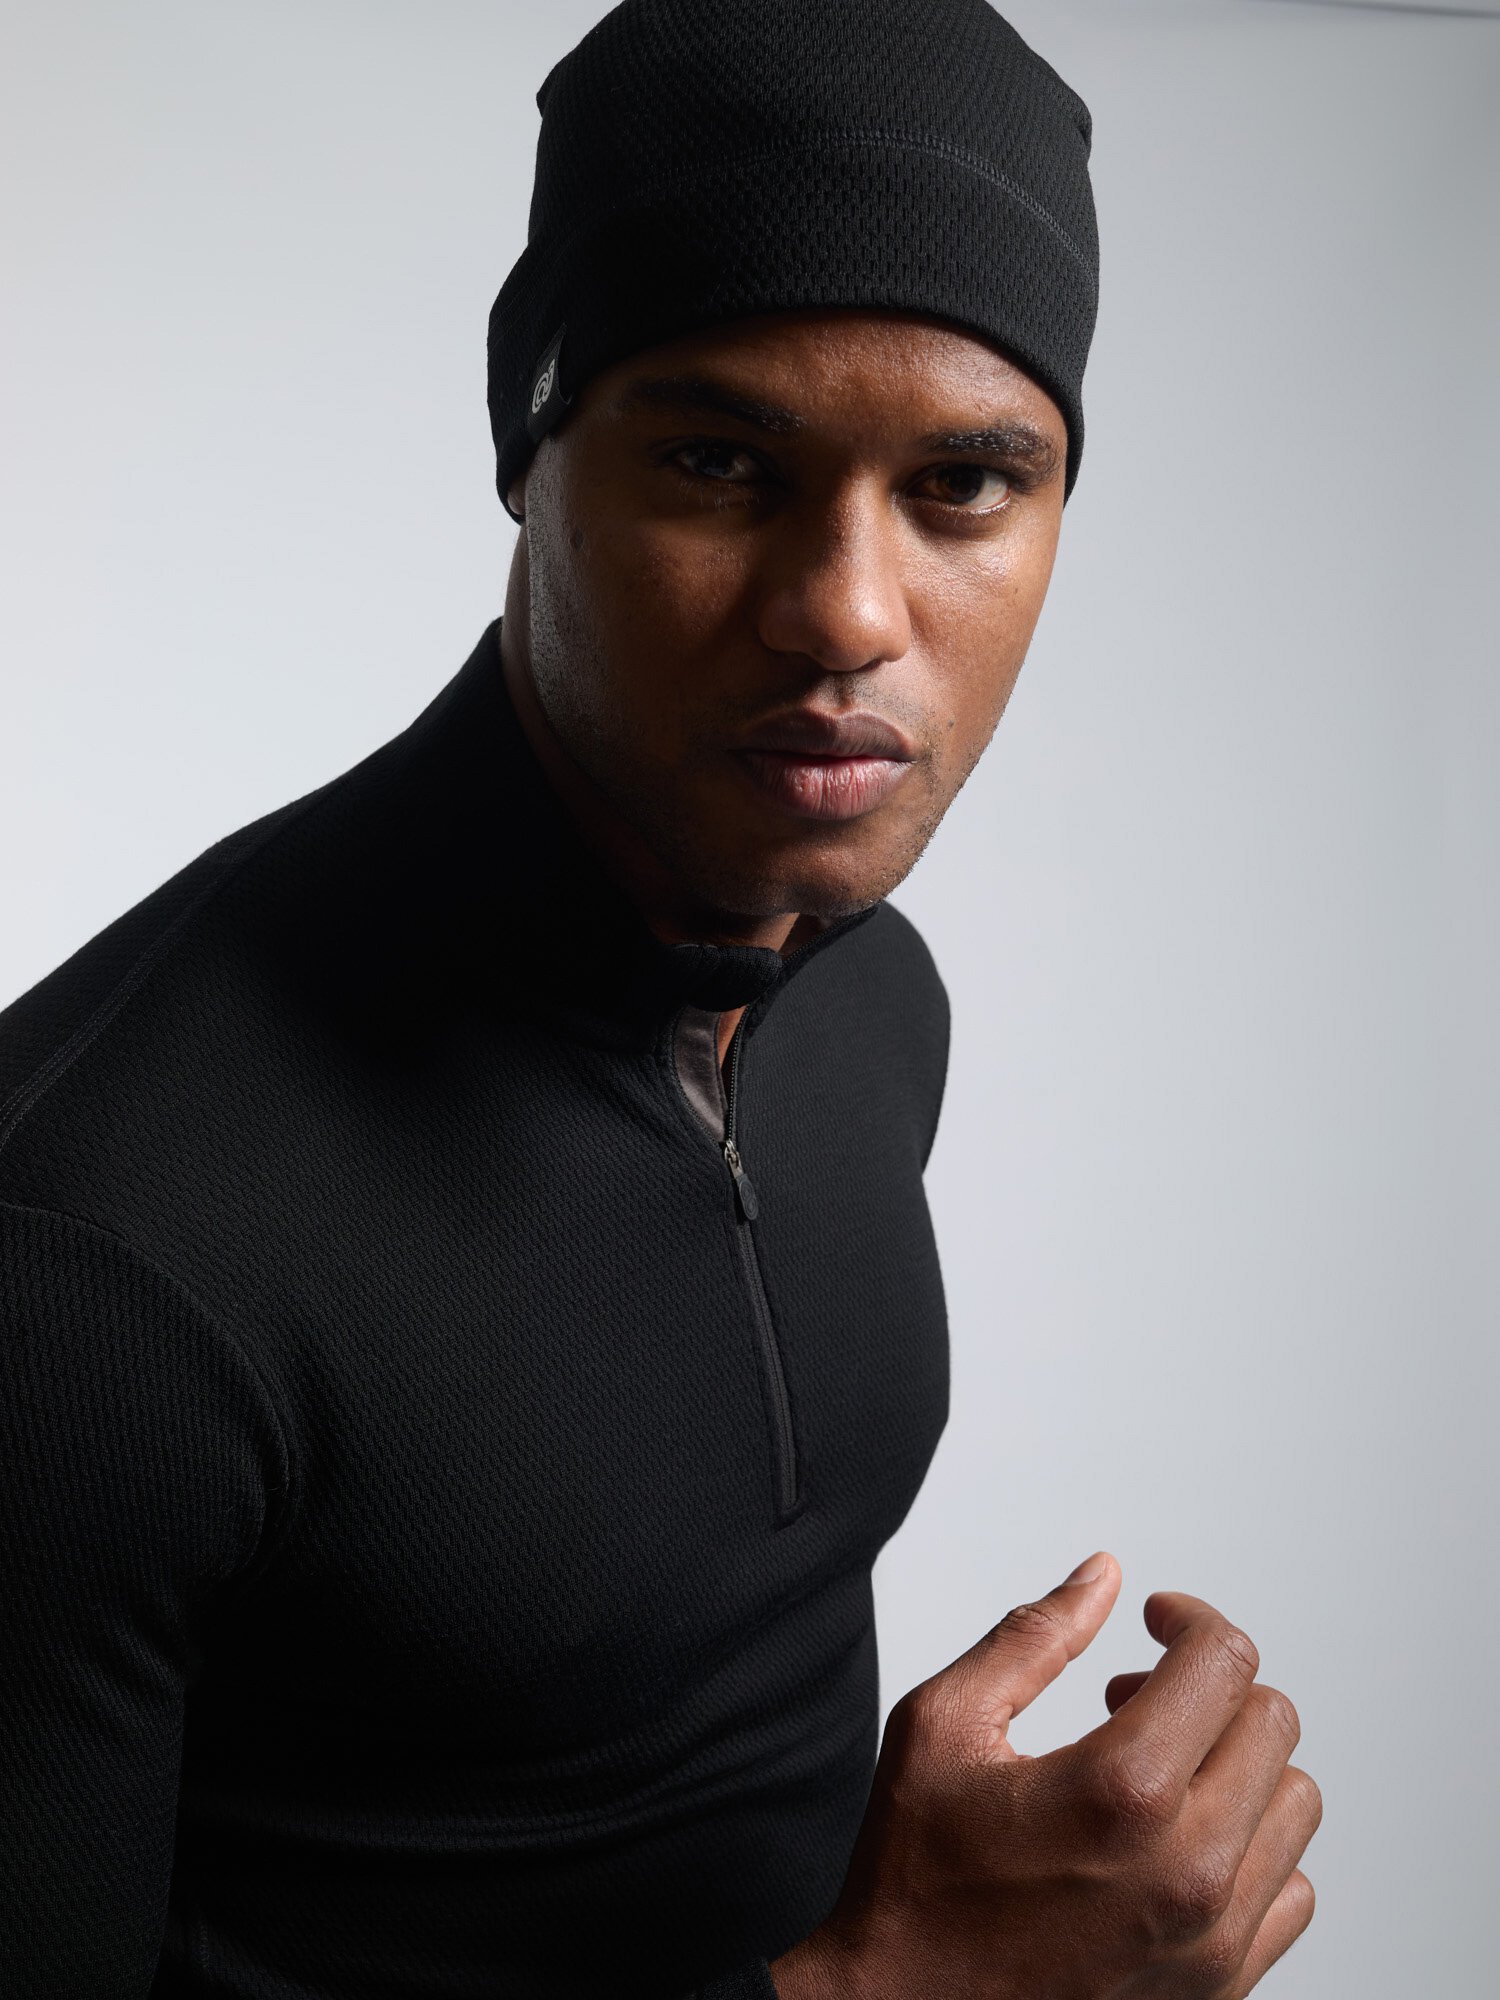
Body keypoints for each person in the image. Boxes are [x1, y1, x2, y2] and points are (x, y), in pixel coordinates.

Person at [0, 2, 1321, 1995]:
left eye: (965, 484)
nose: (848, 612)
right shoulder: (90, 1262)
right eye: (720, 461)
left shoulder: (861, 1002)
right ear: (532, 457)